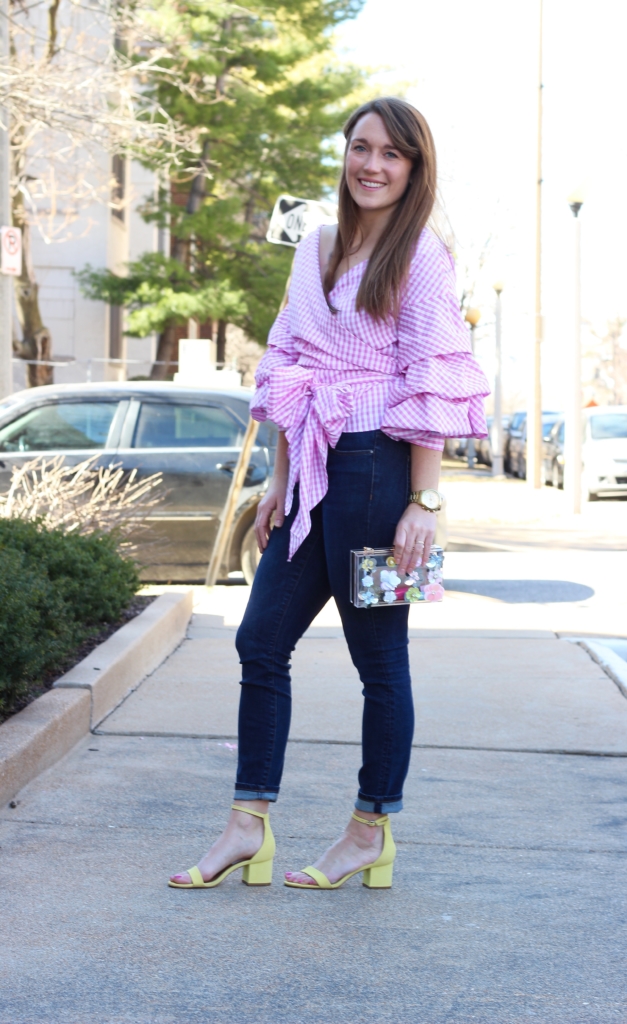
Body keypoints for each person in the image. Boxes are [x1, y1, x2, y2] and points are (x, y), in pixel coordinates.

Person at [169, 96, 489, 892]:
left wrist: (426, 503)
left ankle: (368, 830)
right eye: (360, 147)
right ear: (343, 154)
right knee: (258, 640)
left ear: (413, 168)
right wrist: (280, 478)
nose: (370, 164)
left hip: (381, 476)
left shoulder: (422, 257)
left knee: (379, 660)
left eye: (390, 154)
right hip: (314, 471)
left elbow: (432, 381)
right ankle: (248, 826)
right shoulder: (314, 248)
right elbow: (285, 368)